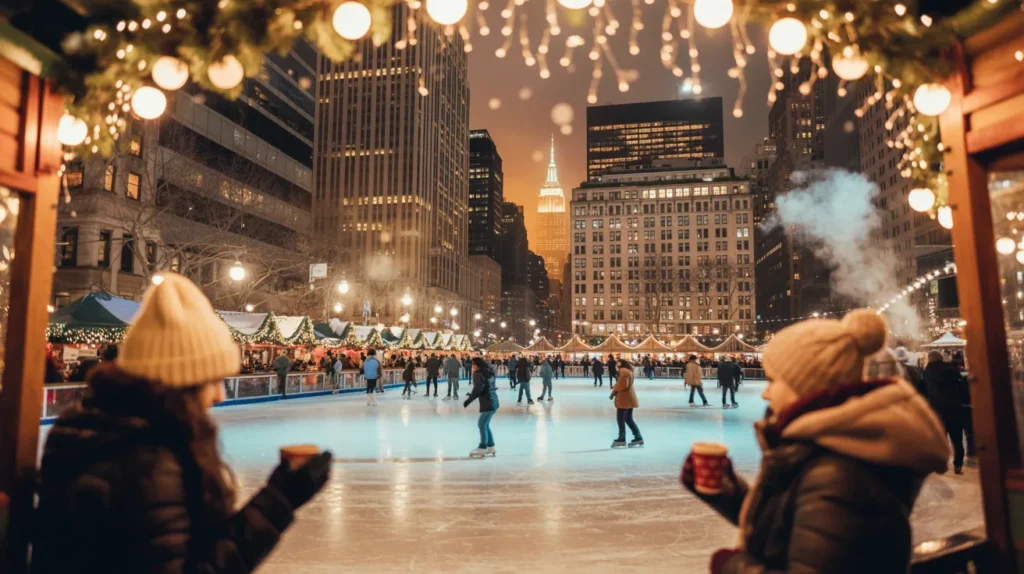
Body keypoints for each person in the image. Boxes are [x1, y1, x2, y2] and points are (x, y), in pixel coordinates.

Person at [33, 273, 332, 573]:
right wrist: (277, 502)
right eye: (212, 380)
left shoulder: (98, 428)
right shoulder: (147, 459)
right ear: (182, 381)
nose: (220, 395)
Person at [682, 309, 949, 574]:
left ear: (805, 386)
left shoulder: (839, 473)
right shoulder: (827, 447)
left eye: (774, 381)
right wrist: (728, 492)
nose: (765, 393)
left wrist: (732, 566)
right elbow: (794, 526)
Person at [923, 350, 970, 474]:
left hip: (936, 410)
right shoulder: (950, 368)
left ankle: (941, 464)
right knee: (957, 439)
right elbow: (960, 383)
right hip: (954, 407)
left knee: (940, 439)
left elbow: (925, 389)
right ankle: (958, 464)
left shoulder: (926, 371)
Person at [464, 357, 500, 457]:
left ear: (476, 364)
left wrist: (469, 400)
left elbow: (478, 389)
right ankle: (491, 446)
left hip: (488, 402)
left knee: (482, 424)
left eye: (472, 364)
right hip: (493, 401)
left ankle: (482, 447)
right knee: (485, 424)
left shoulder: (479, 374)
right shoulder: (489, 372)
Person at [610, 359, 643, 448]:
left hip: (624, 399)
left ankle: (622, 437)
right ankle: (638, 436)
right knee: (628, 419)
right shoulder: (627, 370)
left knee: (621, 418)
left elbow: (623, 384)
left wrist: (614, 391)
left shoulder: (623, 371)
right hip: (628, 398)